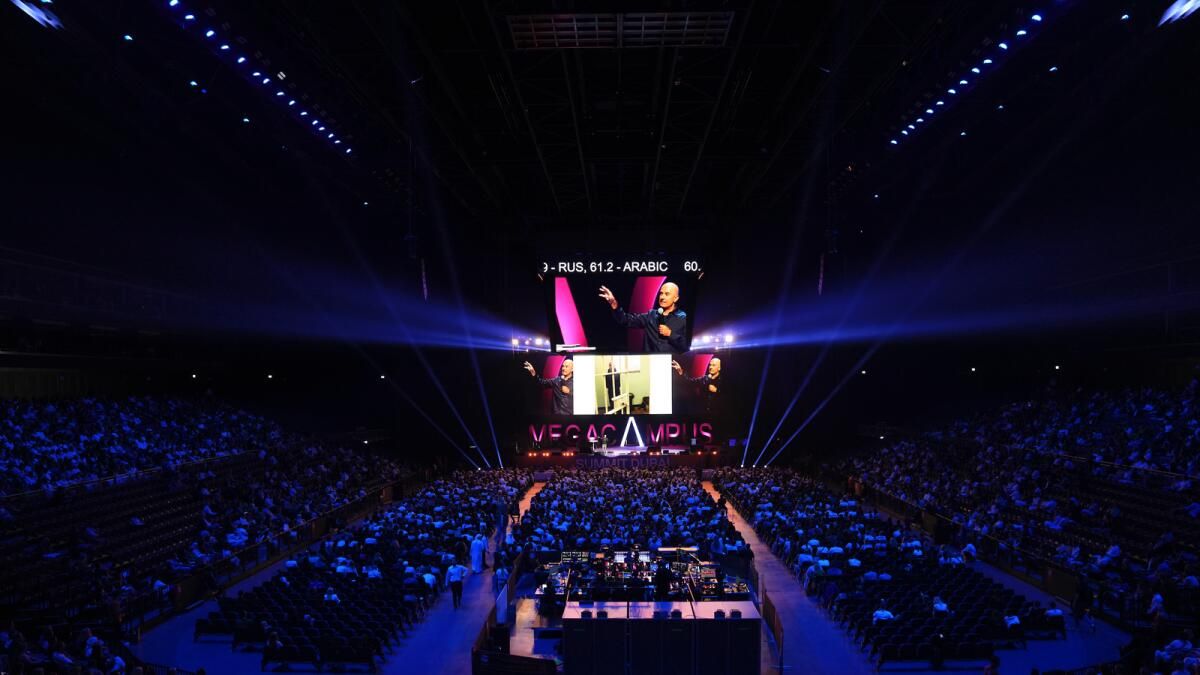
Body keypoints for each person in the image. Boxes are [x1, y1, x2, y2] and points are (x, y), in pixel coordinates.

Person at [599, 282, 688, 352]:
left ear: (675, 298)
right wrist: (614, 304)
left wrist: (670, 334)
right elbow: (626, 320)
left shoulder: (683, 318)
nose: (662, 297)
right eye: (661, 293)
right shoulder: (651, 315)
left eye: (667, 294)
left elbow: (686, 346)